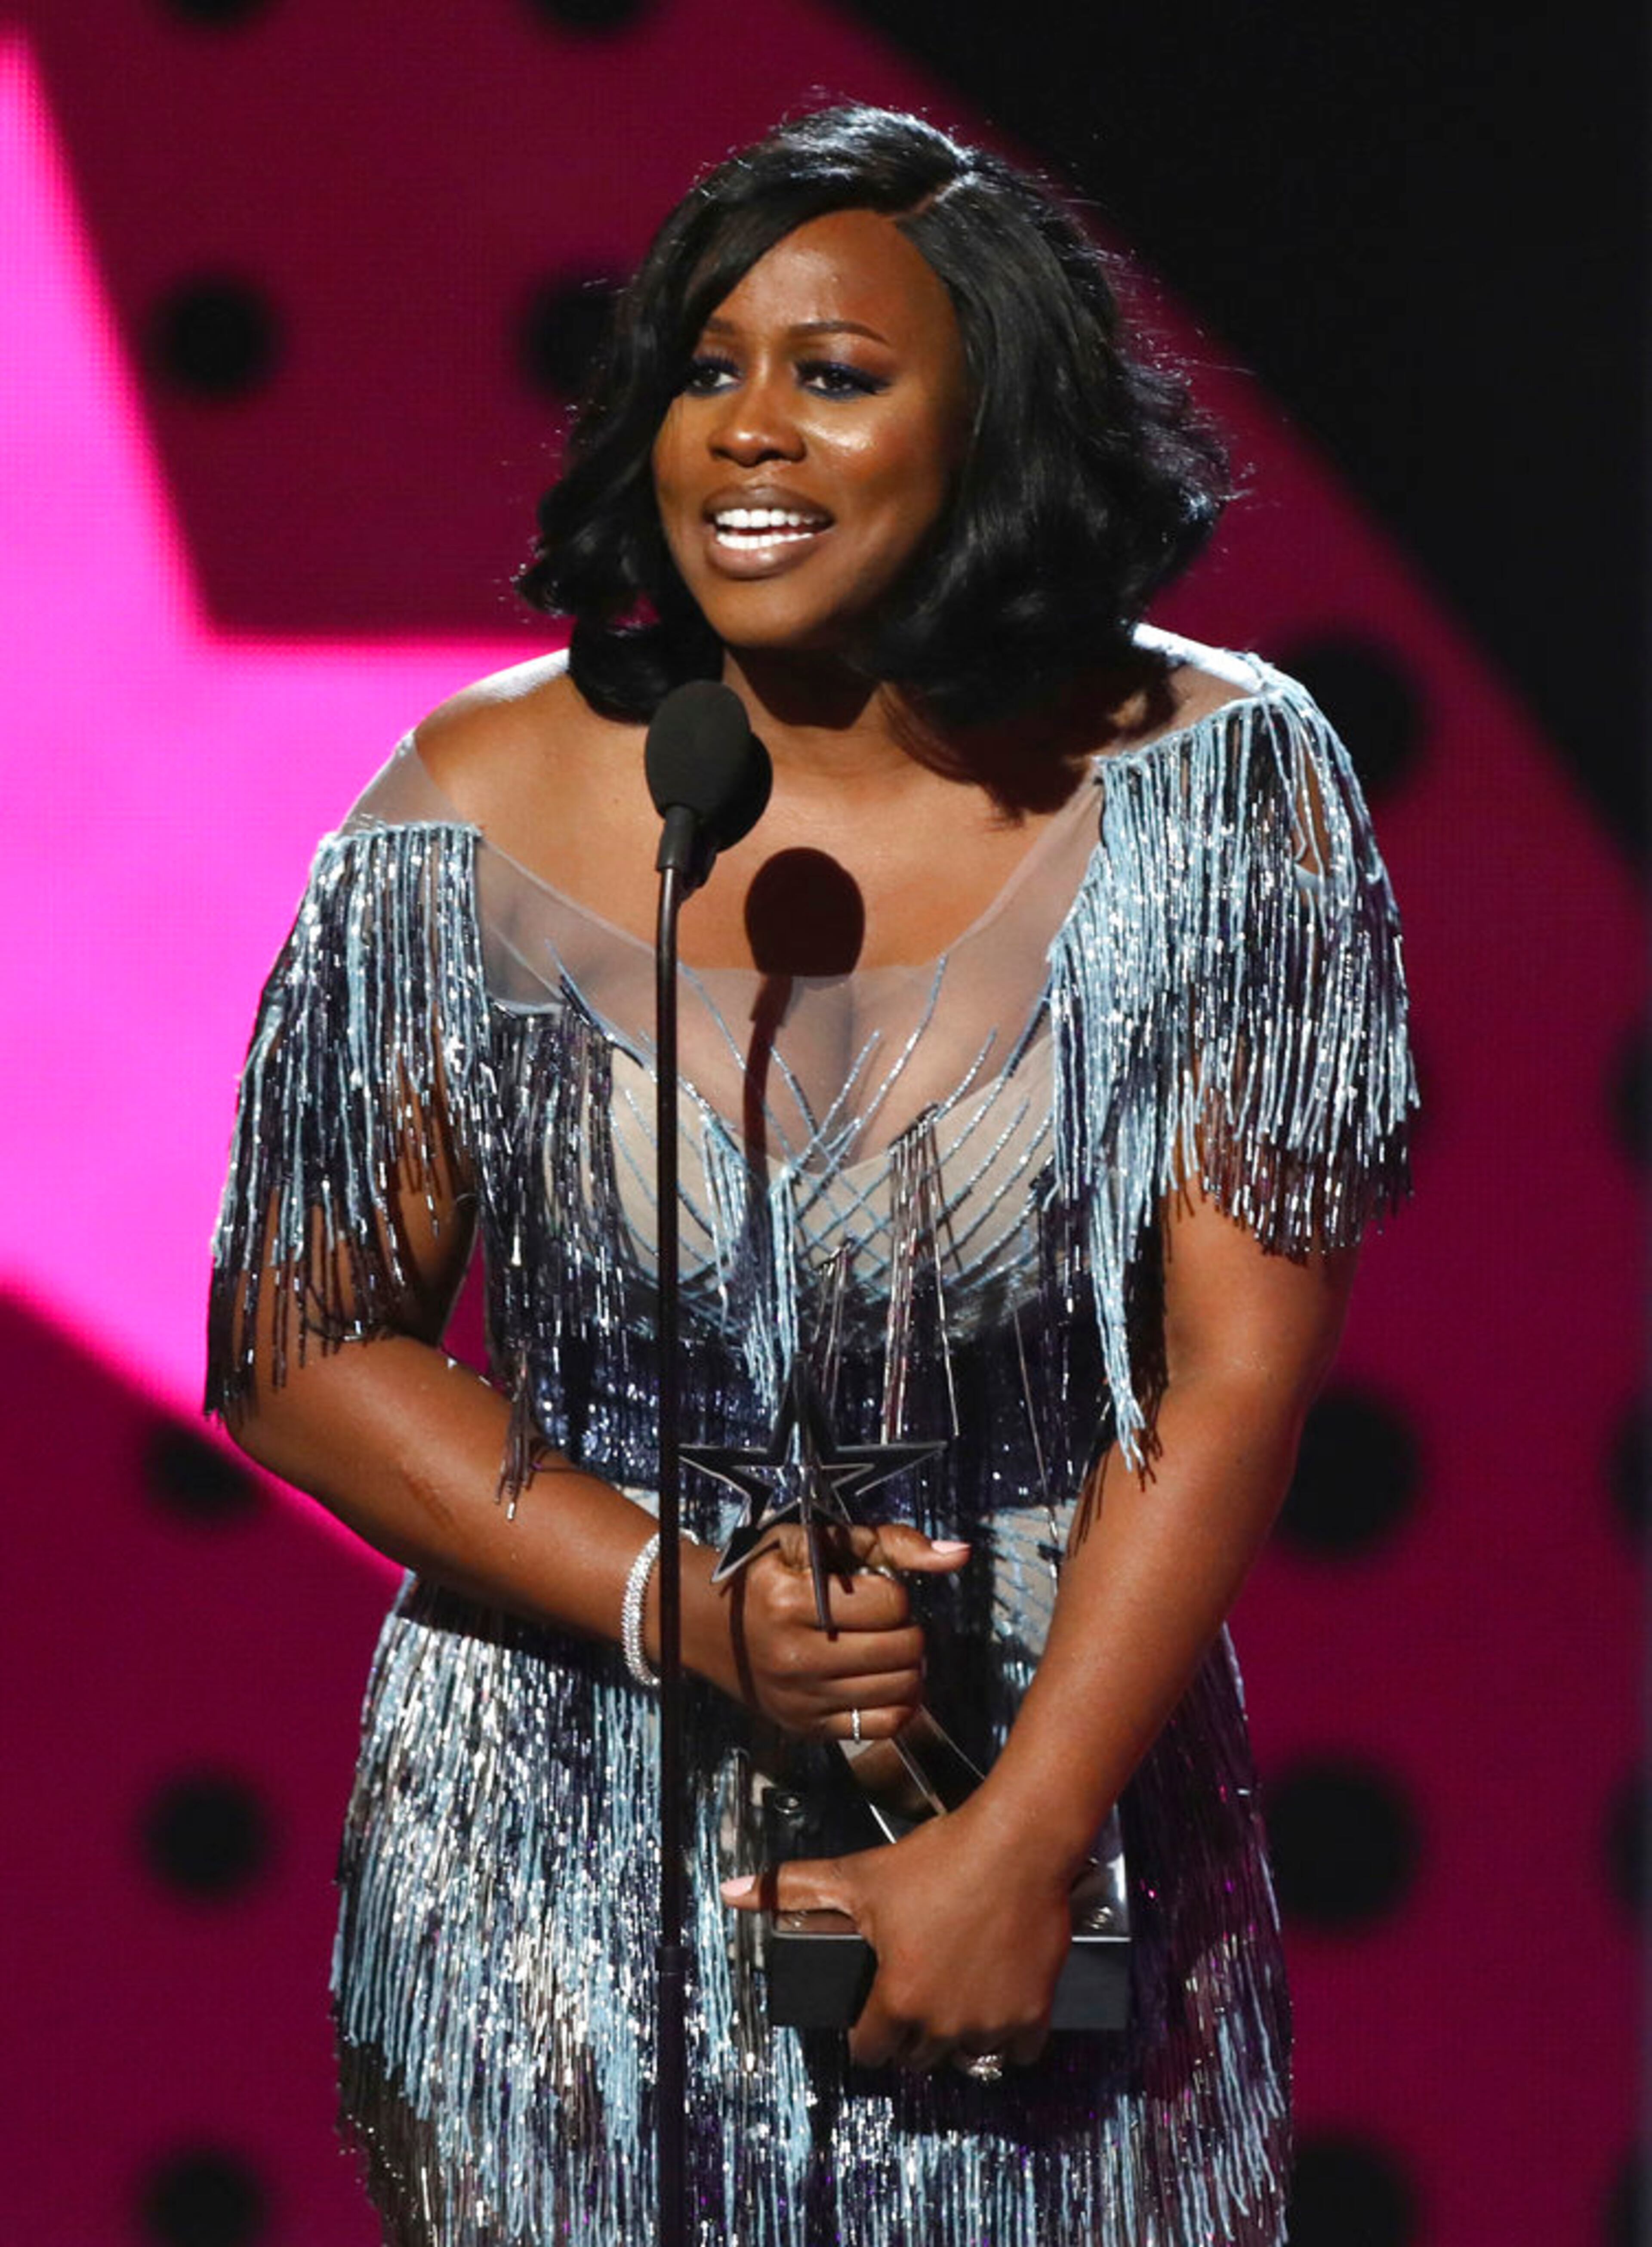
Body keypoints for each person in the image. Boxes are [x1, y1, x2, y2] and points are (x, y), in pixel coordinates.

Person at [207, 103, 1414, 2247]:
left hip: (1053, 1800)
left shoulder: (1224, 789)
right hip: (557, 1845)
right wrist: (681, 1599)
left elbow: (1231, 1374)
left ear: (998, 416)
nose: (748, 432)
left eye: (835, 376)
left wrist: (1024, 1842)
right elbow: (300, 1343)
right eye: (704, 367)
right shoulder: (465, 805)